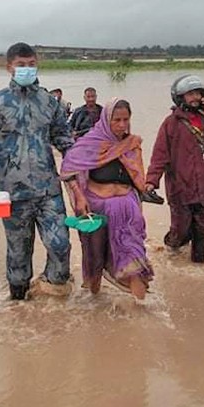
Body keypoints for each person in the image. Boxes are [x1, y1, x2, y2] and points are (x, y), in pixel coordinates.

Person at [0, 42, 75, 300]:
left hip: (48, 190)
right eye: (21, 65)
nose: (27, 69)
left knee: (60, 245)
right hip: (13, 194)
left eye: (31, 64)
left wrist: (82, 164)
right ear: (9, 68)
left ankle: (51, 288)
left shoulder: (50, 102)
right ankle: (19, 303)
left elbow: (64, 139)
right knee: (18, 255)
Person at [61, 98, 156, 299]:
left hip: (127, 210)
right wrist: (79, 197)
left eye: (126, 120)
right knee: (95, 256)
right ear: (106, 120)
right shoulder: (90, 143)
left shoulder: (131, 144)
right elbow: (68, 170)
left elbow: (138, 178)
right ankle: (94, 300)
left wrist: (147, 187)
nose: (122, 125)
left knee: (134, 257)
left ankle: (141, 312)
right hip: (97, 209)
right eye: (117, 120)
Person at [145, 75, 204, 263]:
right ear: (180, 97)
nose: (195, 97)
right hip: (181, 190)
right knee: (181, 231)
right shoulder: (171, 123)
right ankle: (171, 249)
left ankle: (199, 275)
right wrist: (151, 181)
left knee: (202, 237)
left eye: (198, 93)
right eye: (190, 94)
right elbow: (159, 155)